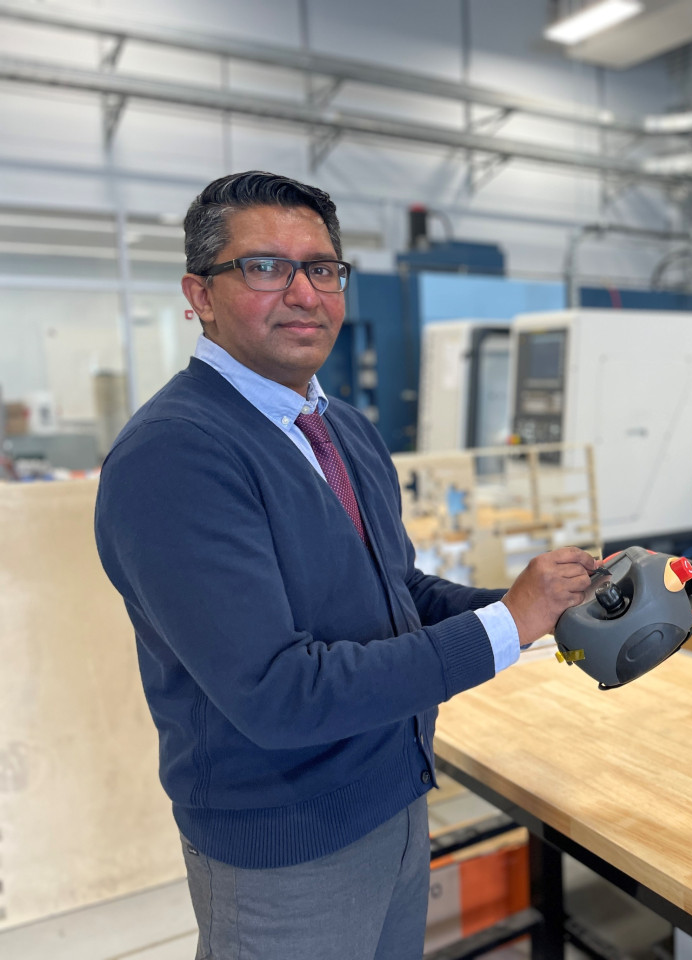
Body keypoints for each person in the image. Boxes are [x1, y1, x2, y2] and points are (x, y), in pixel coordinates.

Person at [94, 170, 597, 960]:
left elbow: (401, 592)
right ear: (200, 294)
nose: (304, 293)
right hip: (286, 849)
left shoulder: (342, 428)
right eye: (265, 267)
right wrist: (508, 624)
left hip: (394, 801)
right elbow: (277, 693)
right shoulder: (178, 455)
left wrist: (540, 604)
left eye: (322, 268)